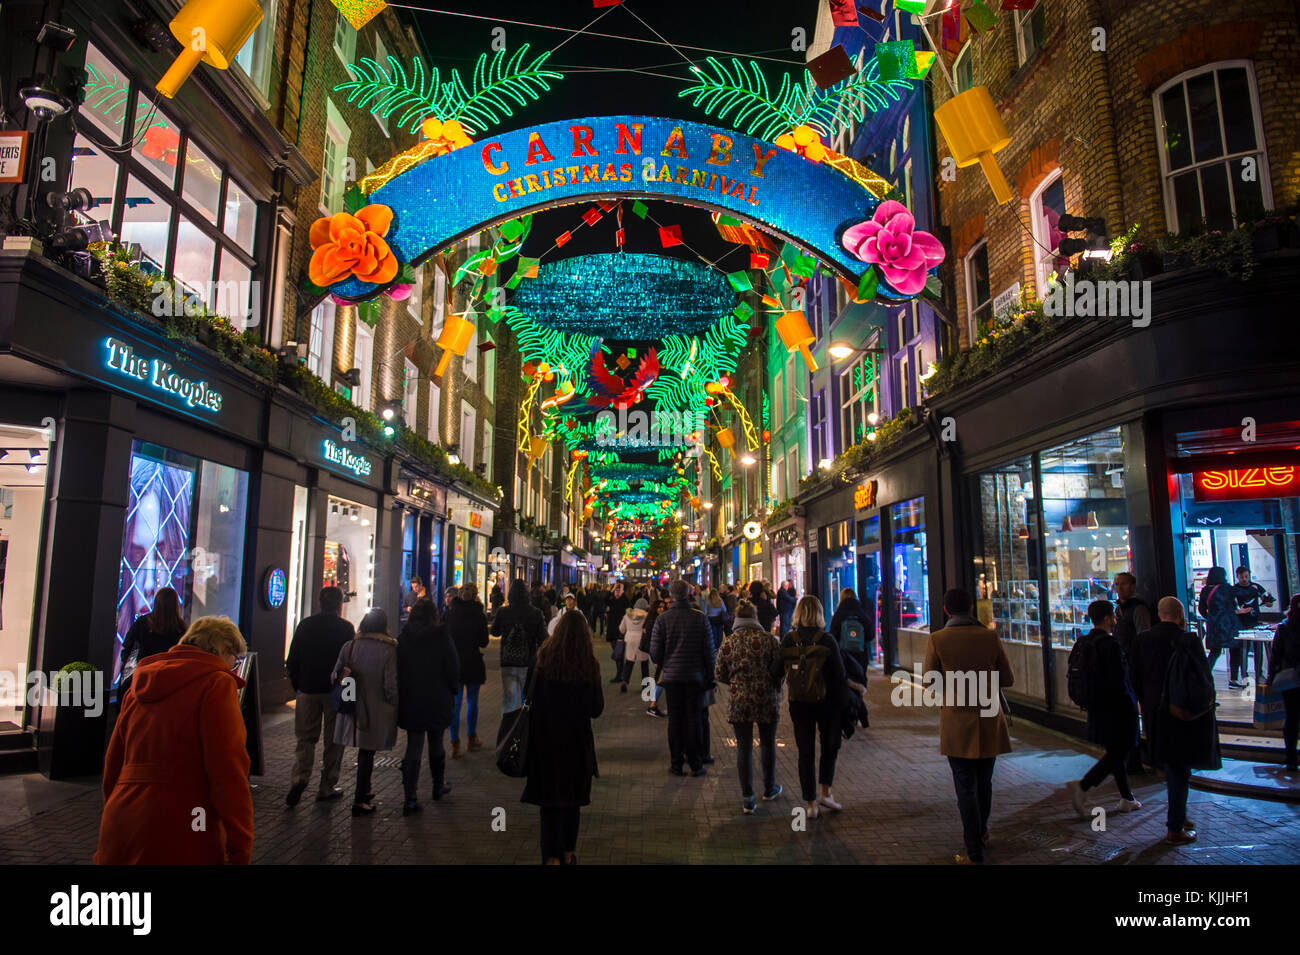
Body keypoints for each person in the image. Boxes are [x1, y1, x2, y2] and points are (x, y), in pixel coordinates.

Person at [96, 617, 253, 864]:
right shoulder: (216, 684)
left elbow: (113, 763)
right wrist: (240, 846)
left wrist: (116, 811)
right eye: (236, 658)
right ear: (222, 650)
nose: (234, 665)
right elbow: (228, 771)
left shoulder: (139, 685)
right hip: (187, 823)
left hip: (122, 821)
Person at [923, 588, 1014, 865]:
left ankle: (974, 851)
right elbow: (1007, 678)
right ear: (972, 608)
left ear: (946, 610)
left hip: (956, 721)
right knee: (984, 782)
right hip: (988, 718)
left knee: (965, 788)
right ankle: (982, 831)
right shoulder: (989, 636)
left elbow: (929, 681)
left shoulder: (938, 639)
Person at [1129, 597, 1221, 845]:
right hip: (1182, 713)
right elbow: (1204, 678)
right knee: (1180, 768)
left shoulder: (1142, 640)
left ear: (1159, 615)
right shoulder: (1189, 639)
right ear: (1180, 613)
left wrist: (1145, 701)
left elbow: (1134, 676)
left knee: (1172, 766)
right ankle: (1175, 827)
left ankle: (1179, 814)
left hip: (1154, 713)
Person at [523, 609, 605, 864]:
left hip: (544, 743)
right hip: (576, 745)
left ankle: (551, 858)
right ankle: (568, 853)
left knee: (549, 805)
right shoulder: (588, 664)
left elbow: (527, 696)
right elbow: (596, 708)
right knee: (572, 803)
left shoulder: (541, 660)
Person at [1064, 600, 1142, 818]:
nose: (1115, 620)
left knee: (1115, 752)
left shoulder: (1084, 642)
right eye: (1113, 617)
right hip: (1117, 708)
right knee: (1122, 750)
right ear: (1108, 619)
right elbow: (1119, 681)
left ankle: (1127, 798)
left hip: (1096, 707)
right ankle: (1084, 786)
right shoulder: (1110, 644)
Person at [777, 595, 847, 820]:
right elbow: (839, 675)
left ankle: (810, 803)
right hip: (826, 702)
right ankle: (826, 792)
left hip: (799, 703)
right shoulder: (827, 640)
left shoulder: (789, 640)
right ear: (819, 613)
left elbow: (775, 671)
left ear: (798, 613)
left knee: (805, 751)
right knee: (829, 746)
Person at [285, 586, 355, 807]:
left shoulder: (306, 625)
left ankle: (300, 778)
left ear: (319, 602)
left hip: (307, 689)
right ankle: (326, 786)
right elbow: (350, 663)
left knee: (305, 738)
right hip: (334, 690)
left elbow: (292, 659)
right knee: (334, 741)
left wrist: (298, 685)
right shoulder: (345, 628)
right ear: (340, 604)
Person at [715, 599, 783, 813]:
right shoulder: (768, 640)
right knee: (767, 743)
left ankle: (748, 797)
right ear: (755, 617)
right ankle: (769, 787)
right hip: (766, 699)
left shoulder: (729, 642)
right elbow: (780, 668)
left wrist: (735, 682)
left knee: (743, 747)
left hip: (740, 700)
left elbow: (719, 672)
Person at [332, 609, 399, 816]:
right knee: (367, 753)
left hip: (352, 706)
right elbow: (390, 684)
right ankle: (360, 799)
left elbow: (335, 674)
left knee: (365, 751)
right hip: (376, 708)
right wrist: (394, 702)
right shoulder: (388, 649)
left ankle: (365, 791)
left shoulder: (349, 646)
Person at [397, 598, 459, 814]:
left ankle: (410, 798)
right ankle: (437, 785)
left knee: (413, 746)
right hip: (436, 695)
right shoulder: (440, 635)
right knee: (436, 742)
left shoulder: (404, 637)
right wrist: (452, 688)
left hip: (412, 697)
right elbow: (452, 666)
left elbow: (398, 668)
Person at [649, 579, 715, 776]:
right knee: (694, 719)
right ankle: (696, 763)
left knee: (675, 720)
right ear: (688, 594)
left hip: (672, 677)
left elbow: (654, 650)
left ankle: (676, 763)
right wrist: (710, 676)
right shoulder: (700, 618)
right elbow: (709, 651)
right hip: (695, 677)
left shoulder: (663, 619)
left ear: (671, 595)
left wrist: (663, 663)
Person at [444, 582, 489, 757]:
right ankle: (472, 737)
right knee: (472, 701)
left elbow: (444, 638)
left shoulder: (449, 614)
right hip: (472, 662)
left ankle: (455, 743)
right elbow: (484, 642)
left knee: (454, 704)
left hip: (454, 663)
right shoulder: (478, 614)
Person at [118, 587, 187, 695]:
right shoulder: (181, 629)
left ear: (157, 602)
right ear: (176, 605)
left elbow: (127, 648)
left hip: (142, 678)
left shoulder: (142, 623)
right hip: (169, 683)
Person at [492, 580, 547, 714]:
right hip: (528, 661)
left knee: (508, 700)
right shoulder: (535, 613)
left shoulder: (503, 612)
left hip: (508, 661)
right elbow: (543, 639)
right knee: (527, 699)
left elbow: (494, 631)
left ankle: (507, 729)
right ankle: (524, 730)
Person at [1269, 595, 1300, 771]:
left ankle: (1290, 757)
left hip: (1290, 679)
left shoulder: (1284, 628)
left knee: (1291, 717)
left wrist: (1272, 677)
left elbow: (1275, 655)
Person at [1199, 567, 1244, 689]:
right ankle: (1233, 679)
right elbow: (1237, 601)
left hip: (1214, 626)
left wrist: (1210, 617)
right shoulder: (1227, 588)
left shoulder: (1205, 591)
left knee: (1214, 653)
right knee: (1235, 651)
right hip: (1229, 625)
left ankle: (1204, 678)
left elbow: (1201, 609)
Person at [829, 587, 875, 678]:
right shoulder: (861, 614)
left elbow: (833, 635)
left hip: (843, 655)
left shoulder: (838, 615)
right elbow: (870, 634)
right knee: (860, 679)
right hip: (860, 655)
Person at [618, 597, 651, 693]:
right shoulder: (647, 616)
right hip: (642, 641)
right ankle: (645, 686)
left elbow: (621, 629)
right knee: (644, 664)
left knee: (629, 662)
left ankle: (625, 681)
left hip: (630, 640)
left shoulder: (627, 615)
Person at [605, 581, 631, 683]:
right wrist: (612, 590)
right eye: (616, 589)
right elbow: (605, 600)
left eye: (618, 590)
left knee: (619, 652)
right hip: (612, 629)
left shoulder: (624, 600)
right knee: (616, 653)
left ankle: (621, 675)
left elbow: (628, 605)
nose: (617, 592)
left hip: (621, 629)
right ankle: (620, 674)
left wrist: (622, 593)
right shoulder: (611, 600)